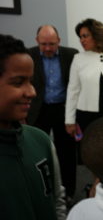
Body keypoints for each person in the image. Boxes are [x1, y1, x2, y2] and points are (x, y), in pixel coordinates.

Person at [0, 34, 66, 220]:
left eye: (31, 81)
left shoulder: (39, 140)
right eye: (19, 83)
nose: (32, 91)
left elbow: (57, 201)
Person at [27, 25, 79, 201]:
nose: (48, 48)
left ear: (59, 41)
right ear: (37, 41)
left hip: (63, 110)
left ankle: (69, 193)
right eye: (43, 44)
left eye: (52, 43)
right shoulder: (29, 55)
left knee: (67, 153)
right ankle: (41, 191)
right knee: (36, 150)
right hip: (38, 110)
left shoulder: (72, 55)